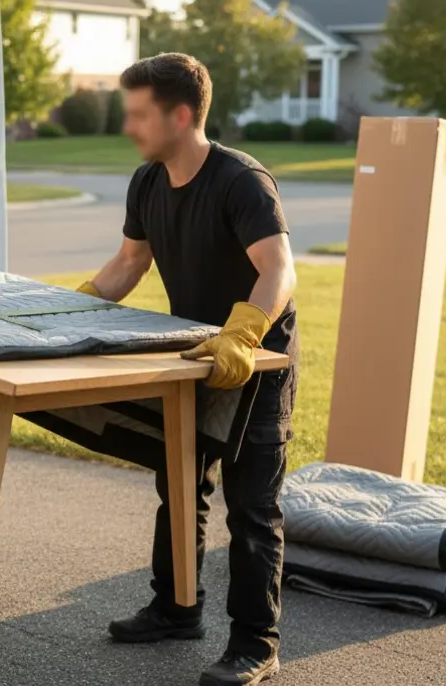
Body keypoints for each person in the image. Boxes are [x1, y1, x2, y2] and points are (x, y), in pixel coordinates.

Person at [79, 53, 298, 686]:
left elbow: (278, 270)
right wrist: (72, 306)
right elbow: (129, 264)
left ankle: (257, 642)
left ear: (180, 115)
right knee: (177, 486)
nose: (130, 127)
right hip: (190, 358)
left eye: (140, 114)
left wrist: (242, 333)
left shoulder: (240, 181)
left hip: (255, 359)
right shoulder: (147, 182)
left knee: (252, 506)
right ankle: (176, 609)